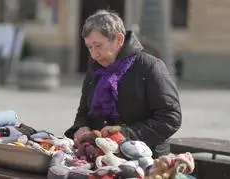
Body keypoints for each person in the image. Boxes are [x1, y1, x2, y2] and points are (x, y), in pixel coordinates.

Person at [65, 10, 182, 158]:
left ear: (119, 40)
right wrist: (81, 127)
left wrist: (124, 134)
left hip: (146, 159)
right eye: (89, 47)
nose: (94, 54)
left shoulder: (150, 67)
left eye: (98, 45)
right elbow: (83, 112)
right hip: (102, 156)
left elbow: (170, 118)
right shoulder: (94, 70)